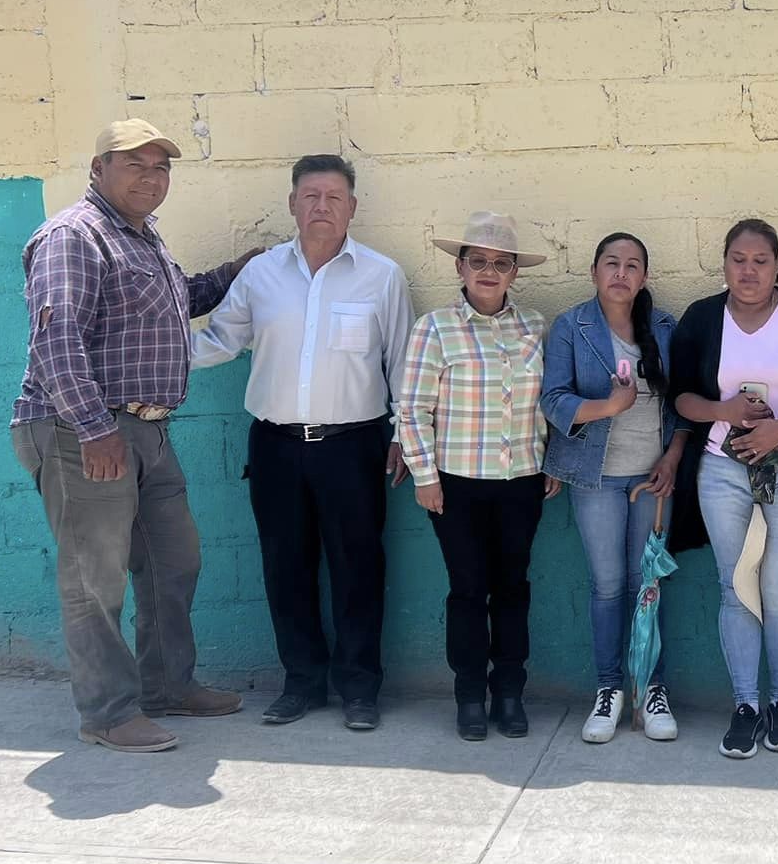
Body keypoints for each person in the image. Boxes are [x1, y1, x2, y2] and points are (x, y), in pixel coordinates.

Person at [8, 119, 260, 753]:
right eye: (135, 165)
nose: (152, 177)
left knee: (175, 561)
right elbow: (55, 337)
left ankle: (166, 685)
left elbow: (175, 304)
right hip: (83, 428)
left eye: (161, 168)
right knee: (95, 578)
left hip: (147, 430)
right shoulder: (75, 236)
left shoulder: (143, 240)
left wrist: (237, 271)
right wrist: (94, 430)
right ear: (98, 170)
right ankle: (108, 712)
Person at [190, 155, 413, 733]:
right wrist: (152, 353)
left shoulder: (382, 276)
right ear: (292, 204)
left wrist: (403, 437)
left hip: (355, 445)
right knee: (285, 568)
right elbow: (219, 339)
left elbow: (402, 364)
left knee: (358, 568)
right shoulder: (261, 274)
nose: (321, 207)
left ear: (352, 208)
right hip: (276, 447)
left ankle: (360, 690)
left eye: (334, 197)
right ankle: (303, 684)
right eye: (310, 196)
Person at [665, 221, 778, 758]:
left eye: (760, 260)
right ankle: (745, 706)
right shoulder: (701, 318)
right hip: (722, 469)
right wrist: (722, 411)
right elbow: (681, 399)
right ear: (724, 264)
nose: (749, 270)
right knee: (734, 585)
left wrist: (777, 430)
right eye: (738, 259)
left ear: (776, 265)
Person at [397, 211, 561, 742]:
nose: (489, 271)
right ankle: (470, 695)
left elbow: (552, 401)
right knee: (467, 590)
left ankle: (509, 693)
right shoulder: (435, 329)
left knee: (513, 589)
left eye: (501, 263)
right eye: (478, 261)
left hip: (521, 482)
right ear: (461, 268)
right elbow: (413, 408)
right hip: (457, 483)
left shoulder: (536, 327)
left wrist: (550, 459)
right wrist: (424, 475)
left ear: (515, 273)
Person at [543, 232, 688, 744]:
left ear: (644, 277)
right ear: (594, 272)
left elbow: (683, 406)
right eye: (611, 263)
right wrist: (608, 406)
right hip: (597, 479)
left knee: (647, 585)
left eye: (632, 265)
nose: (621, 274)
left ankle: (652, 688)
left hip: (653, 479)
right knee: (608, 587)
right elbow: (553, 399)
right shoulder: (571, 327)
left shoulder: (666, 328)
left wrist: (671, 458)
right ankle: (609, 691)